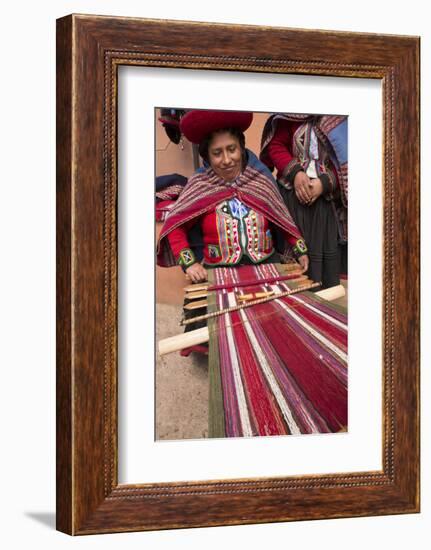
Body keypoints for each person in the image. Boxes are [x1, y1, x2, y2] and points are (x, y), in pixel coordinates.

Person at [157, 110, 309, 282]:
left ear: (241, 148)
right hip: (218, 274)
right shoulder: (199, 184)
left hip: (267, 269)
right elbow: (176, 226)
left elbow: (282, 218)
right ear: (207, 155)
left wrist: (300, 249)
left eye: (232, 149)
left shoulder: (260, 178)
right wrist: (189, 263)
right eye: (217, 153)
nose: (227, 159)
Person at [260, 113, 348, 288]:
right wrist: (296, 173)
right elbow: (276, 146)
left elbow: (347, 162)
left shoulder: (341, 122)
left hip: (325, 206)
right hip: (292, 202)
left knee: (323, 273)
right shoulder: (289, 116)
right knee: (293, 263)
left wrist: (324, 184)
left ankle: (322, 309)